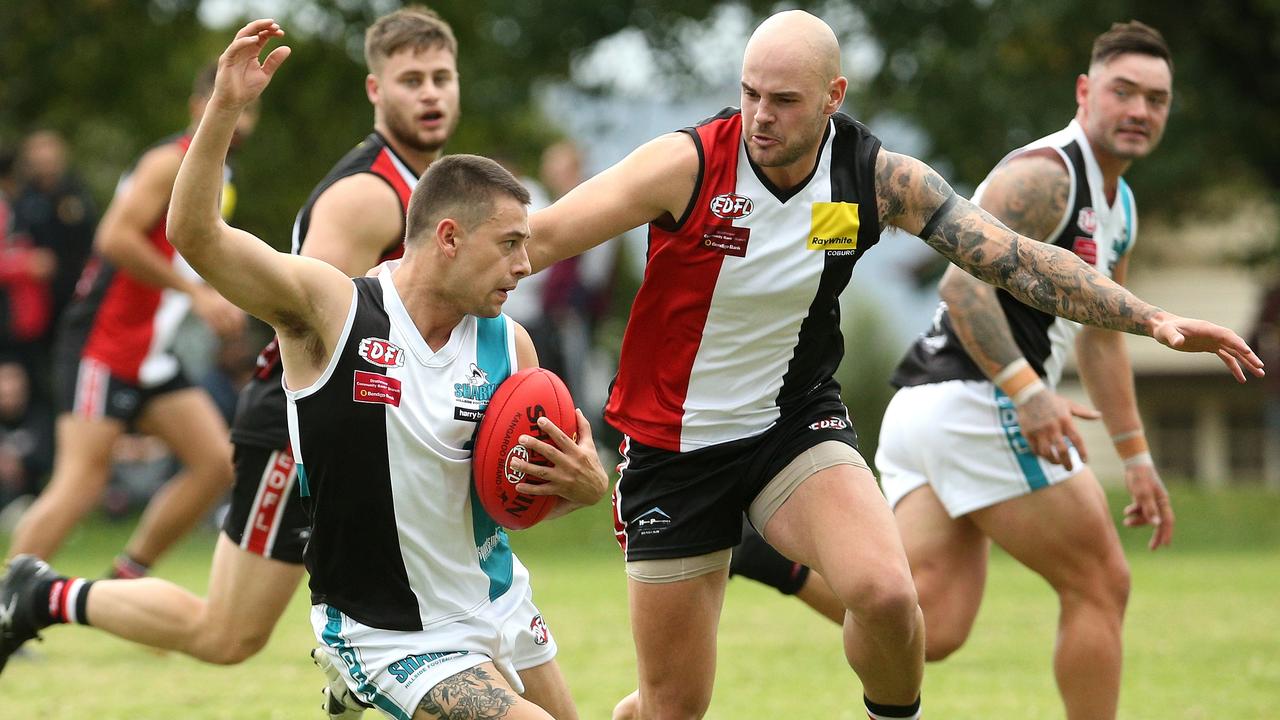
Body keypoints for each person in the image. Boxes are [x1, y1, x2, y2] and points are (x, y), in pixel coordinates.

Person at [520, 11, 1261, 720]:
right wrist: (417, 274)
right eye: (748, 94)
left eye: (783, 100)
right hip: (672, 446)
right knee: (675, 708)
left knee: (887, 597)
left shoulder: (876, 178)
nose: (760, 117)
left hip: (792, 424)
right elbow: (541, 238)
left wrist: (1151, 318)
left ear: (833, 98)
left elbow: (1014, 259)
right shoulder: (685, 163)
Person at [0, 4, 466, 699]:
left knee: (433, 584)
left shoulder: (427, 185)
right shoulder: (368, 194)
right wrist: (193, 294)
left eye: (441, 77)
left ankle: (345, 656)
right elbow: (318, 332)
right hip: (286, 418)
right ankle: (34, 589)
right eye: (411, 79)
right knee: (223, 629)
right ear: (376, 90)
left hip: (306, 405)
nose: (430, 93)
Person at [172, 20, 604, 718]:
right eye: (511, 245)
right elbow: (197, 237)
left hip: (497, 602)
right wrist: (224, 108)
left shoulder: (510, 348)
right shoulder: (331, 310)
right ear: (448, 238)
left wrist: (582, 485)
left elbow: (518, 494)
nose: (527, 265)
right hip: (391, 634)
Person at [875, 21, 1181, 720]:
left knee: (931, 624)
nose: (1139, 111)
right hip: (980, 400)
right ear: (1084, 92)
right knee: (1101, 582)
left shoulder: (1120, 207)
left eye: (1156, 99)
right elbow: (961, 288)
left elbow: (1102, 339)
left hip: (926, 408)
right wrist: (1029, 391)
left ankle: (768, 558)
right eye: (1123, 91)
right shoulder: (1047, 175)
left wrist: (1135, 456)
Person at [3, 65, 247, 578]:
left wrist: (225, 295)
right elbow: (114, 237)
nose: (238, 117)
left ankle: (125, 579)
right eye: (226, 102)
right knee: (82, 482)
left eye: (249, 107)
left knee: (215, 463)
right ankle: (8, 607)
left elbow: (189, 256)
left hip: (152, 354)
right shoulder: (167, 162)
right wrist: (194, 294)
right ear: (198, 106)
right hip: (105, 343)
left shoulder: (219, 176)